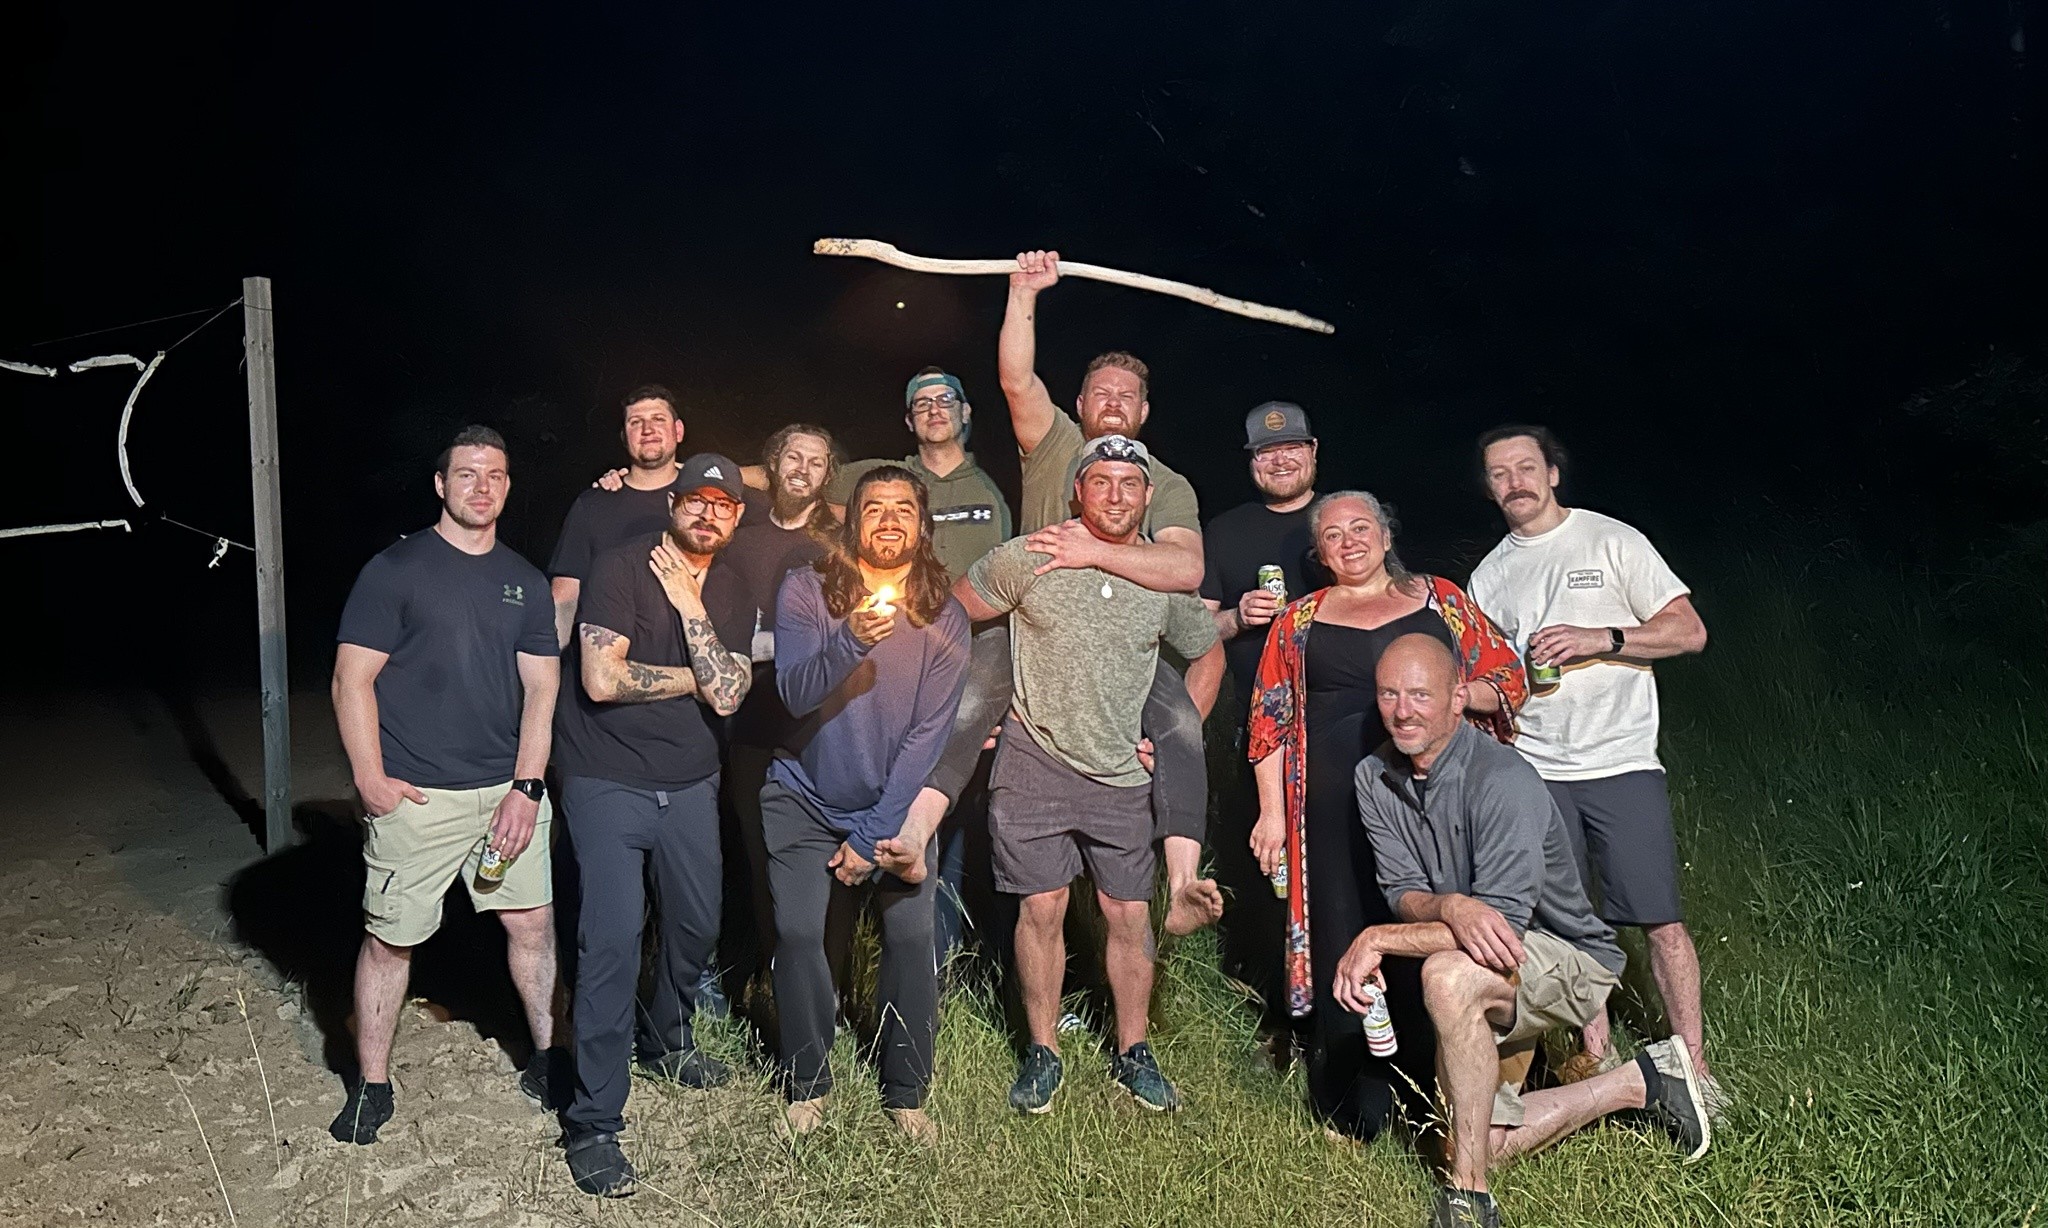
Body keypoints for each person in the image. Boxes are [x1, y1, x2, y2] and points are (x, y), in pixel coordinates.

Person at [1335, 634, 1709, 1228]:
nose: (1402, 710)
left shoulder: (1501, 779)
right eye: (1388, 694)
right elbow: (1403, 894)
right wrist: (1452, 906)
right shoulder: (1374, 777)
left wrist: (1376, 939)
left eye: (1419, 695)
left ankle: (1470, 1202)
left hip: (1570, 960)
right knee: (1473, 1140)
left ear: (1459, 698)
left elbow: (1503, 930)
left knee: (1447, 976)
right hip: (1495, 964)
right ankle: (1642, 1082)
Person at [954, 435, 1225, 1114]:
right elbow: (953, 615)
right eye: (1099, 482)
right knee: (1040, 908)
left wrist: (1174, 734)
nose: (1113, 495)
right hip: (1033, 760)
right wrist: (972, 703)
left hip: (1120, 775)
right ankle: (1043, 1052)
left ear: (1145, 497)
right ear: (1077, 491)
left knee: (1128, 915)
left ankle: (1134, 1051)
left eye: (1128, 485)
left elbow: (1208, 652)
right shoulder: (1032, 556)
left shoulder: (1159, 577)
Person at [953, 248, 1218, 939]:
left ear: (1144, 410)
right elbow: (1014, 377)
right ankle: (907, 830)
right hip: (1030, 629)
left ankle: (1185, 883)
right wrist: (1023, 292)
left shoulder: (1169, 483)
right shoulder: (1055, 443)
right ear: (1079, 403)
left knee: (1183, 724)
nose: (1112, 402)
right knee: (967, 707)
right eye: (1100, 391)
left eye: (1125, 395)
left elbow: (1185, 571)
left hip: (1125, 648)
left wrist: (1092, 551)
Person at [1246, 491, 1526, 1140]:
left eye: (1360, 527)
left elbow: (1506, 678)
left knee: (1430, 930)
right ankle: (1355, 1106)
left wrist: (1455, 694)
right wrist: (1270, 816)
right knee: (1346, 939)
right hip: (1331, 814)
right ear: (1318, 553)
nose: (1348, 541)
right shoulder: (1300, 621)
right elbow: (1267, 720)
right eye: (1332, 534)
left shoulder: (1440, 600)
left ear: (1386, 532)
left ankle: (1444, 1095)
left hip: (1431, 805)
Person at [1465, 426, 1717, 1104]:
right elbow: (1494, 680)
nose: (1514, 480)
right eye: (1498, 473)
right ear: (1488, 487)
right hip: (1536, 765)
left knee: (1660, 920)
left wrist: (1602, 639)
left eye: (1526, 466)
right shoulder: (1489, 576)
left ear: (1552, 473)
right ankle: (1594, 1053)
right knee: (1567, 923)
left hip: (1620, 760)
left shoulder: (1612, 540)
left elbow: (1689, 631)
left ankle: (1694, 1063)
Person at [328, 425, 561, 1145]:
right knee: (391, 942)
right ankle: (370, 1083)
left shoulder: (524, 579)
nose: (481, 486)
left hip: (506, 795)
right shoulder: (394, 571)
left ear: (508, 486)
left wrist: (527, 788)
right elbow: (351, 680)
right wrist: (370, 779)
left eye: (494, 474)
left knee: (532, 925)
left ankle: (551, 1060)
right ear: (441, 484)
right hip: (419, 797)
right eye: (466, 474)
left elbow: (542, 690)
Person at [552, 453, 756, 1197]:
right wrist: (702, 676)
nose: (708, 513)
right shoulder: (618, 566)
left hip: (690, 780)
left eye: (723, 505)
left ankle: (666, 1039)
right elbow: (602, 681)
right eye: (696, 500)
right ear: (673, 504)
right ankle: (595, 1122)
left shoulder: (729, 586)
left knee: (696, 928)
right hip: (606, 777)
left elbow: (731, 699)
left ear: (735, 518)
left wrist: (693, 613)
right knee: (610, 939)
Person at [764, 466, 971, 1141]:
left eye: (903, 508)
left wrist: (876, 835)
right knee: (799, 933)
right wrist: (851, 637)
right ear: (852, 523)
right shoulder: (805, 589)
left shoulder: (948, 616)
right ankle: (808, 1082)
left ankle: (906, 1093)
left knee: (912, 939)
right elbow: (794, 693)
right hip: (803, 794)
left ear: (924, 524)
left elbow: (927, 737)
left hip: (893, 802)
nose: (888, 520)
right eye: (873, 508)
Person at [815, 369, 1012, 964]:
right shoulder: (891, 479)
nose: (933, 410)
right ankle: (857, 944)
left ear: (966, 411)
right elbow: (793, 477)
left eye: (943, 400)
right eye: (920, 404)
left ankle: (941, 958)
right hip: (898, 654)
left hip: (973, 659)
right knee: (902, 776)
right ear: (908, 420)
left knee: (951, 797)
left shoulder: (994, 488)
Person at [553, 386, 735, 1030]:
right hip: (605, 741)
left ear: (680, 430)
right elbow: (567, 606)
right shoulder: (597, 507)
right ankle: (591, 1063)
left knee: (694, 915)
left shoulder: (720, 528)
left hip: (687, 755)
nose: (647, 429)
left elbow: (777, 480)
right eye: (635, 421)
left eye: (659, 419)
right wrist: (561, 685)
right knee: (608, 923)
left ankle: (670, 1029)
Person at [1200, 402, 1330, 1027]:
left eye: (1291, 448)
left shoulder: (1341, 523)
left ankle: (1346, 992)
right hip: (1260, 734)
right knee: (1263, 865)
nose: (1279, 459)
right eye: (1265, 453)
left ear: (1313, 453)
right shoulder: (1224, 532)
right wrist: (1234, 617)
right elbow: (1192, 622)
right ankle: (1272, 1003)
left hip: (1343, 725)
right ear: (1252, 463)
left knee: (1339, 863)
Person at [722, 424, 838, 992]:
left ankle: (822, 982)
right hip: (746, 719)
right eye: (793, 456)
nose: (803, 469)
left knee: (813, 852)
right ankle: (761, 975)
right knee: (752, 846)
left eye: (817, 462)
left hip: (814, 724)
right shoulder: (738, 537)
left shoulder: (836, 544)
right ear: (771, 464)